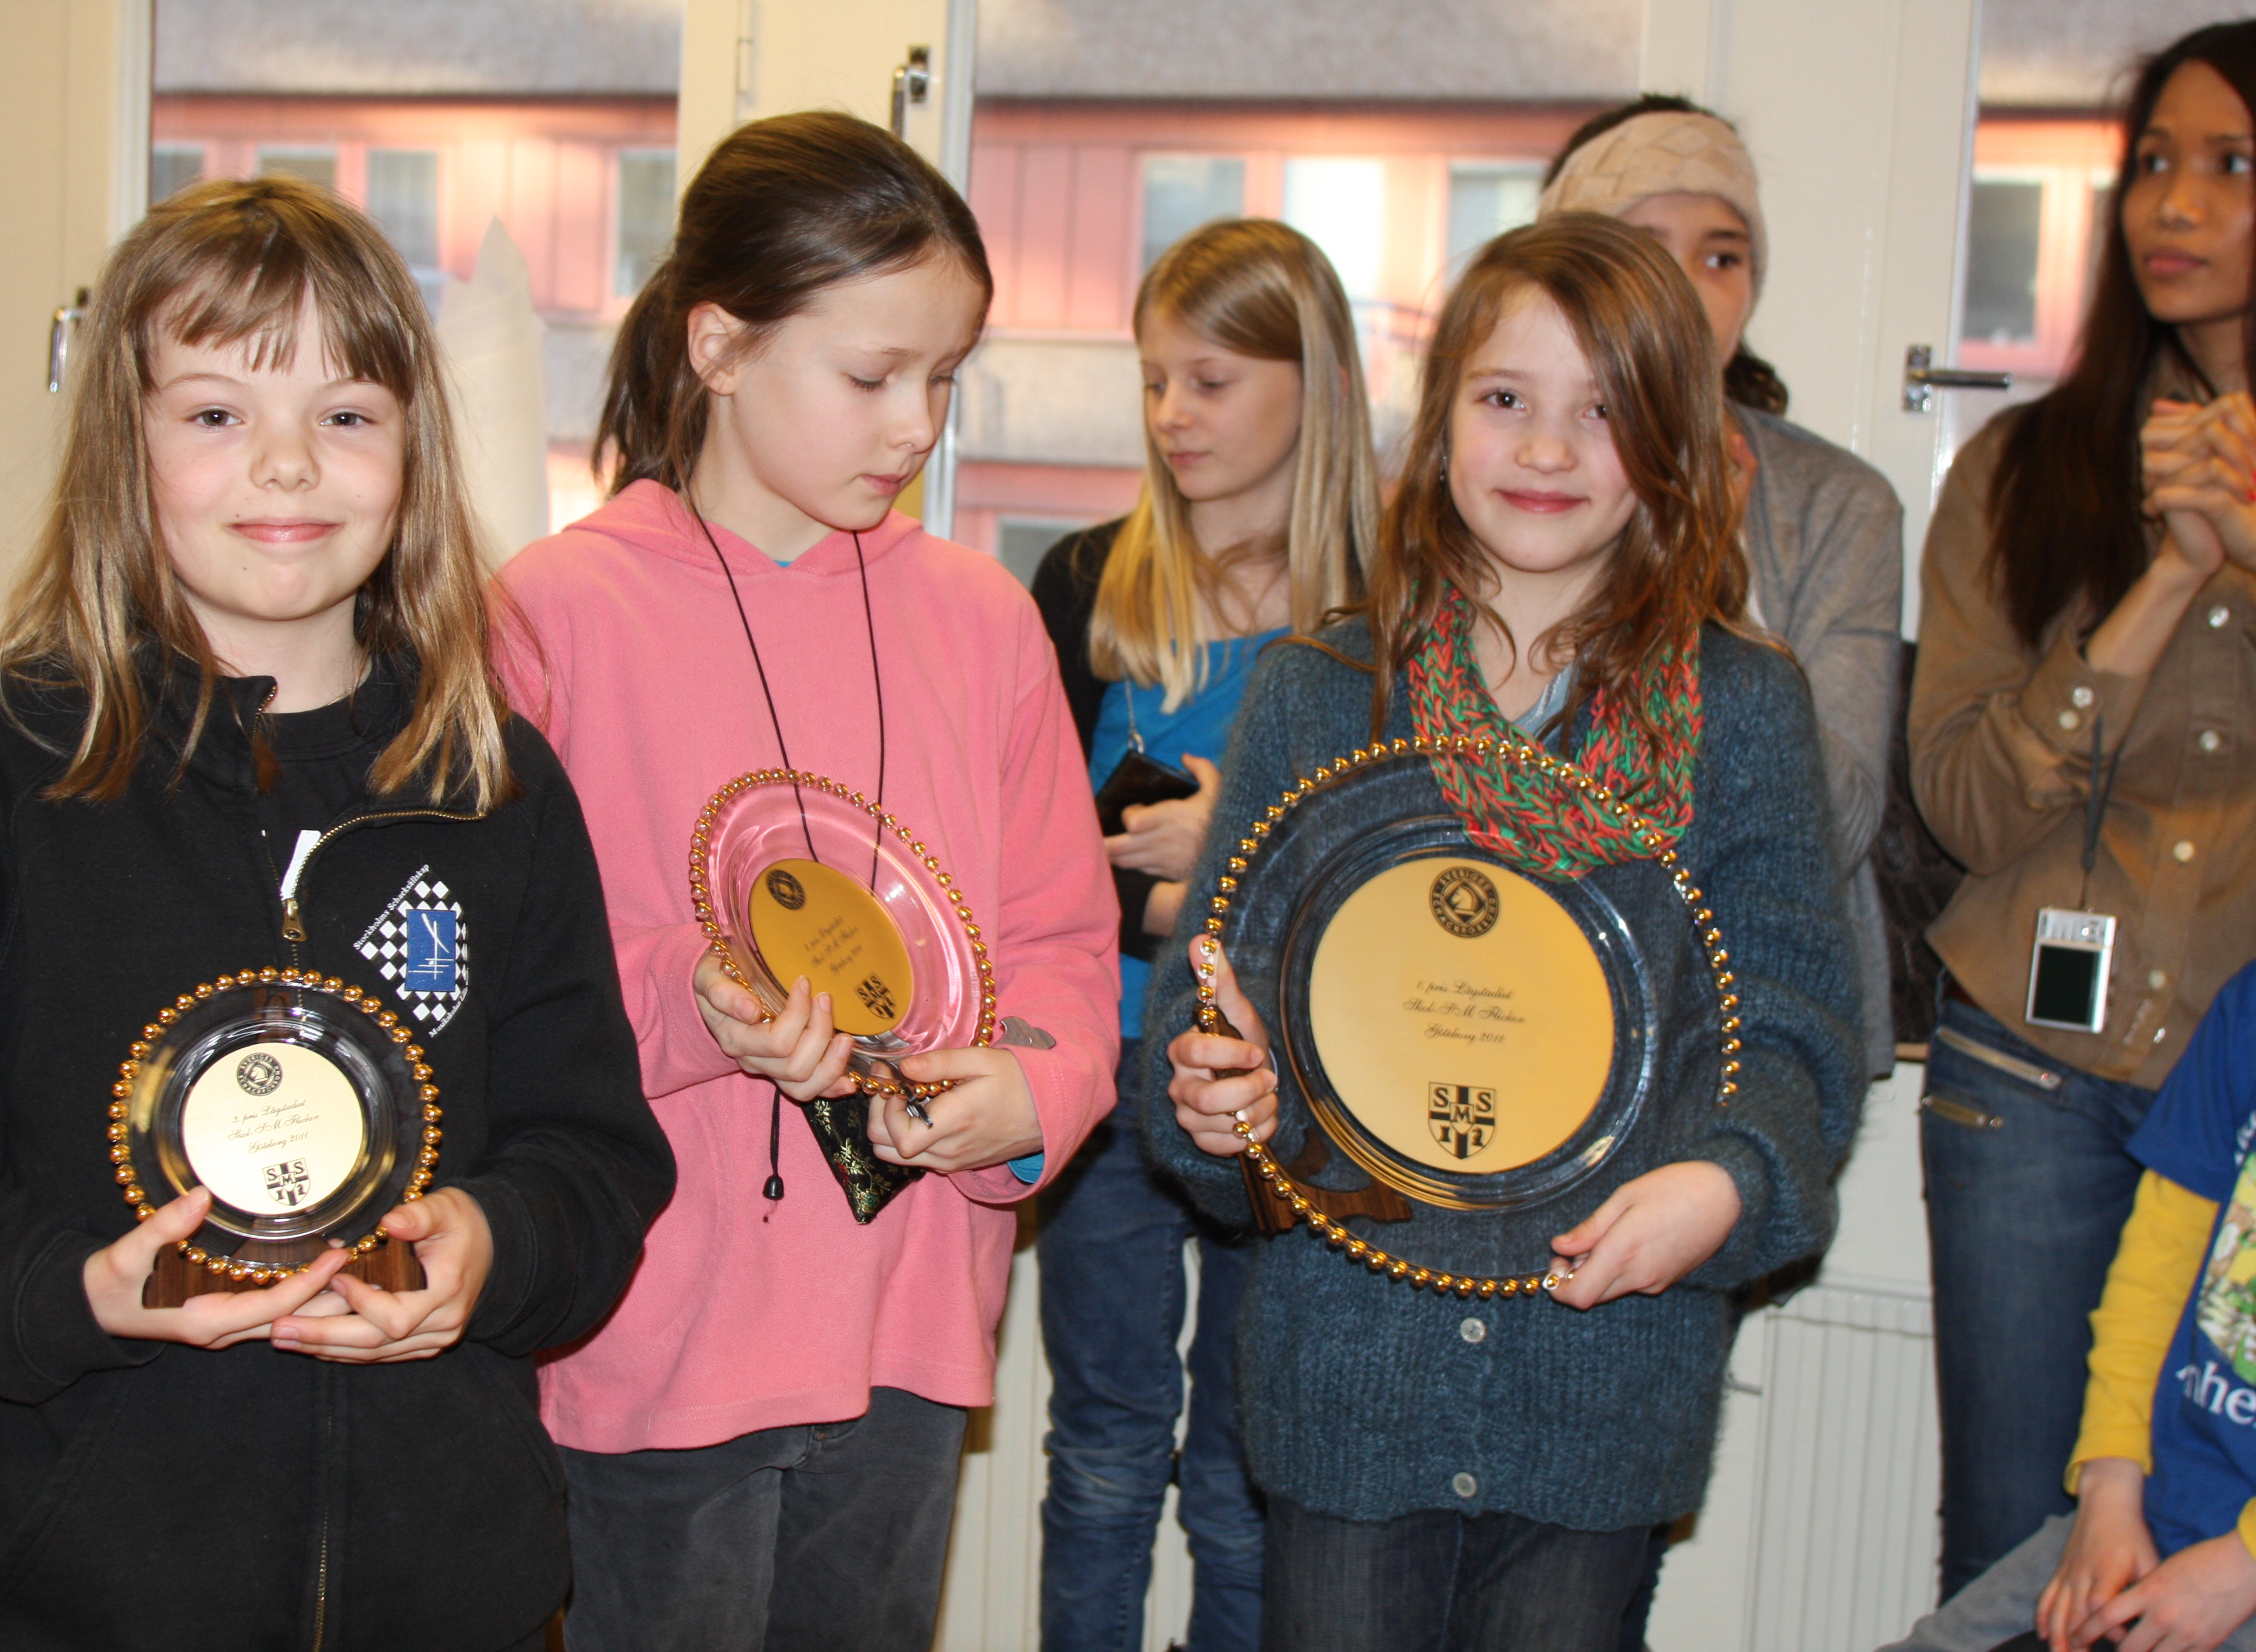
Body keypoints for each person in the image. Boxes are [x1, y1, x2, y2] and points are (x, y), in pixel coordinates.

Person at [0, 176, 675, 1651]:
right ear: (125, 451)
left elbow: (594, 1154)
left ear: (411, 449)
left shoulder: (492, 785)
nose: (286, 464)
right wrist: (68, 1290)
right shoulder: (3, 761)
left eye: (344, 412)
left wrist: (488, 1246)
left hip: (444, 1586)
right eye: (211, 413)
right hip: (74, 1589)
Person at [1143, 212, 1865, 1652]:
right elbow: (1205, 1002)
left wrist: (1726, 1183)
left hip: (1604, 1385)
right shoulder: (1318, 690)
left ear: (1670, 440)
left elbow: (1792, 1020)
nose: (1545, 449)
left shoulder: (1741, 708)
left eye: (1602, 411)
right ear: (1440, 424)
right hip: (1348, 1374)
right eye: (1503, 400)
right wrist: (1215, 1093)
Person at [495, 111, 1118, 1652]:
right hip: (658, 1316)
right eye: (870, 377)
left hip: (902, 1314)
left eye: (944, 380)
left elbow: (1057, 937)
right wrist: (700, 1006)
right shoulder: (554, 616)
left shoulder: (978, 623)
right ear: (717, 343)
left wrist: (1029, 1095)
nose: (915, 425)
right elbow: (504, 992)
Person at [1909, 20, 2256, 1598]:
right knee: (2010, 1559)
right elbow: (1965, 801)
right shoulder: (2017, 469)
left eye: (2230, 166)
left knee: (2207, 1562)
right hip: (2024, 1076)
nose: (2171, 207)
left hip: (2241, 1106)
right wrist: (2161, 578)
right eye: (2153, 167)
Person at [1027, 217, 1380, 1652]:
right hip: (1106, 1071)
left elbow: (1399, 883)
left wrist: (1224, 854)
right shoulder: (1088, 581)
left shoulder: (1391, 616)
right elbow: (1035, 864)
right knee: (1104, 1446)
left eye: (1215, 380)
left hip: (1291, 1094)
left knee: (1249, 1473)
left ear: (1318, 385)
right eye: (1156, 381)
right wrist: (1180, 890)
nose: (1176, 417)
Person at [1542, 94, 1904, 1083]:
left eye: (1721, 256)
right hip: (1522, 998)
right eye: (1644, 246)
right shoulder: (1506, 480)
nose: (1687, 291)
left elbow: (1833, 816)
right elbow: (1477, 778)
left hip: (1759, 1030)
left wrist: (1707, 579)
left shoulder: (1838, 505)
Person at [1878, 957, 2256, 1652]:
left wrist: (2244, 1564)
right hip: (2159, 1507)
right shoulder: (2247, 1007)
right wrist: (2110, 1491)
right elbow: (2158, 1264)